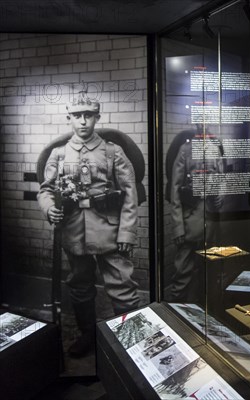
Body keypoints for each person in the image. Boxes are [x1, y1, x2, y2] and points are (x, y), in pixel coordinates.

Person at [37, 93, 140, 357]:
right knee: (80, 286)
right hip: (74, 231)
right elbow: (45, 189)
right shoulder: (58, 154)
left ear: (97, 117)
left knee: (122, 288)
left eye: (88, 116)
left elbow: (130, 193)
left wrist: (127, 231)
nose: (83, 122)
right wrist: (49, 208)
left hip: (110, 231)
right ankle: (88, 335)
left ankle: (130, 339)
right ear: (69, 118)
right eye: (77, 116)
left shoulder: (112, 151)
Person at [167, 132, 225, 302]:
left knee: (209, 272)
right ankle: (177, 313)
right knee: (182, 274)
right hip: (189, 221)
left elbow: (222, 179)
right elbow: (175, 190)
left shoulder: (215, 149)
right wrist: (178, 227)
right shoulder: (185, 150)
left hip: (211, 219)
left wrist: (220, 196)